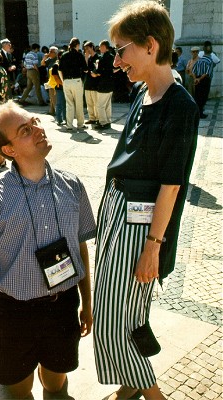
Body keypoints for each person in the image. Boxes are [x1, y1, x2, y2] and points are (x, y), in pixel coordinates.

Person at [0, 100, 96, 400]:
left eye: (35, 122)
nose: (39, 130)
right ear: (9, 150)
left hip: (63, 306)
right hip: (15, 313)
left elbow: (80, 247)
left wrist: (87, 302)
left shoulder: (72, 185)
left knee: (56, 384)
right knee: (18, 391)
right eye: (26, 130)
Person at [93, 2, 199, 400]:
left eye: (121, 50)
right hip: (117, 212)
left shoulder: (179, 105)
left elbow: (171, 186)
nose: (116, 61)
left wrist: (154, 247)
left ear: (150, 45)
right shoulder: (144, 93)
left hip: (141, 225)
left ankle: (151, 393)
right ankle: (131, 384)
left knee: (110, 318)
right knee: (128, 313)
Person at [58, 37, 88, 131]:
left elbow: (60, 70)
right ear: (77, 45)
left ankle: (69, 125)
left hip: (66, 81)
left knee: (69, 104)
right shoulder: (79, 55)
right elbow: (86, 69)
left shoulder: (64, 55)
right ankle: (80, 124)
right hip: (76, 81)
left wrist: (63, 81)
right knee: (79, 103)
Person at [91, 40, 115, 130]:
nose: (99, 48)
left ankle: (103, 123)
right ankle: (108, 121)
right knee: (108, 104)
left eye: (101, 46)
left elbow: (100, 71)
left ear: (105, 47)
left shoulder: (103, 58)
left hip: (103, 84)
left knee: (100, 105)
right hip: (110, 84)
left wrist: (95, 73)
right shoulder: (112, 56)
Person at [191, 42, 214, 118]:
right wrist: (200, 79)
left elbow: (193, 71)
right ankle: (200, 113)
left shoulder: (199, 61)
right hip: (205, 80)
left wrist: (195, 79)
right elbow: (206, 73)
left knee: (197, 96)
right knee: (203, 97)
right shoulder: (210, 61)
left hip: (197, 80)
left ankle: (197, 113)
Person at [83, 41, 100, 125]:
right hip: (88, 83)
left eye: (87, 48)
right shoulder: (88, 59)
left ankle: (97, 118)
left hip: (95, 83)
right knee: (89, 102)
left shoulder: (98, 57)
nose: (86, 50)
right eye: (85, 49)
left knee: (96, 103)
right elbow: (85, 69)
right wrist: (86, 58)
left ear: (91, 47)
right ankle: (91, 118)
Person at [51, 50, 67, 126]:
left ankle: (66, 119)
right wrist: (64, 84)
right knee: (59, 104)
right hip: (60, 88)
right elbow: (55, 77)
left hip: (66, 87)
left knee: (65, 104)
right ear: (60, 56)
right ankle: (59, 119)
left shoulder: (65, 64)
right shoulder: (56, 65)